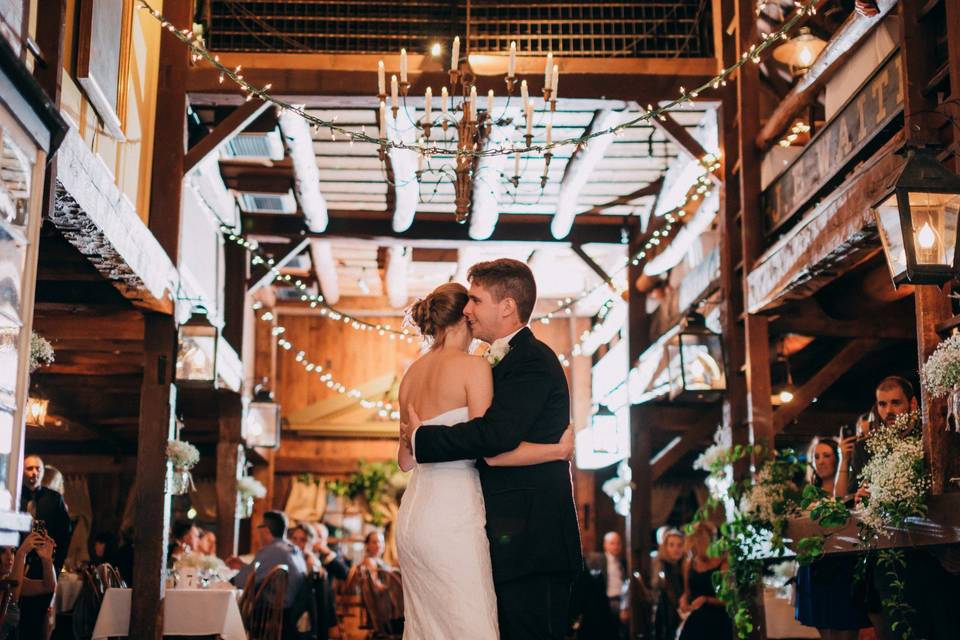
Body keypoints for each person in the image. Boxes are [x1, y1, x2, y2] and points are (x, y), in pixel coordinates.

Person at [400, 261, 583, 639]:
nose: (467, 310)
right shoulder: (486, 363)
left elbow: (494, 438)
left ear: (507, 306)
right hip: (501, 539)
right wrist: (554, 451)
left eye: (476, 300)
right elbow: (494, 446)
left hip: (533, 543)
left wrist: (423, 440)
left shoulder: (532, 359)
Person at [794, 437, 869, 640]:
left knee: (846, 632)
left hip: (842, 567)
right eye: (816, 456)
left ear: (836, 458)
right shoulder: (808, 494)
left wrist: (845, 460)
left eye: (827, 455)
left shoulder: (850, 487)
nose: (821, 461)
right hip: (816, 567)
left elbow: (840, 503)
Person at [228, 511, 309, 640]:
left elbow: (242, 581)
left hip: (273, 615)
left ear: (266, 530)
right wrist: (244, 567)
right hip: (291, 613)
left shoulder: (273, 550)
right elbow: (259, 572)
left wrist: (227, 580)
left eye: (260, 527)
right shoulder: (293, 549)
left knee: (233, 613)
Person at [19, 455, 71, 640]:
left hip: (44, 569)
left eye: (37, 469)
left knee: (39, 619)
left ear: (42, 472)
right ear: (22, 471)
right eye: (29, 468)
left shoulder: (54, 499)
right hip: (16, 566)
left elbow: (65, 536)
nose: (33, 473)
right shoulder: (13, 495)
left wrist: (54, 566)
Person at [290, 523, 348, 640]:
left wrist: (326, 553)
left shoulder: (325, 557)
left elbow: (344, 573)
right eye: (315, 536)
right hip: (309, 605)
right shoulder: (301, 556)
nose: (317, 540)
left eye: (320, 537)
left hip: (321, 605)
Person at [677, 522, 730, 640]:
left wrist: (706, 599)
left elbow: (728, 599)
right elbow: (687, 592)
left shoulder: (723, 563)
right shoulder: (689, 563)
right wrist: (683, 600)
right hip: (697, 617)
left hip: (718, 618)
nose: (694, 550)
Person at [0, 532, 58, 640]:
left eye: (12, 551)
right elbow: (11, 598)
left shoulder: (8, 580)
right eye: (2, 551)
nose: (9, 557)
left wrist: (46, 559)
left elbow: (48, 586)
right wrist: (21, 553)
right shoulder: (9, 584)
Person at [584, 532, 628, 639]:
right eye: (612, 543)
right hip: (605, 601)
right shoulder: (596, 559)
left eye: (618, 543)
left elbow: (626, 586)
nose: (616, 546)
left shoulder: (623, 563)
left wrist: (624, 606)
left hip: (620, 601)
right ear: (605, 545)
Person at [651, 528, 684, 640]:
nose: (676, 549)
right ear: (665, 547)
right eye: (671, 545)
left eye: (679, 545)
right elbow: (659, 587)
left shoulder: (682, 565)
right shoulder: (661, 564)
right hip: (665, 611)